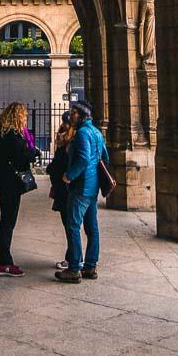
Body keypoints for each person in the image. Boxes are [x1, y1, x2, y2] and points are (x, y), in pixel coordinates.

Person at [55, 103, 109, 284]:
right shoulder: (96, 132)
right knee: (92, 228)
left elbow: (84, 159)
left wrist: (68, 176)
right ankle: (91, 265)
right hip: (93, 188)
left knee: (73, 226)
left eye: (73, 113)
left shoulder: (83, 134)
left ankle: (74, 268)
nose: (71, 116)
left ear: (80, 115)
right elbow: (104, 158)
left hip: (81, 187)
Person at [0, 101, 37, 276]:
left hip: (2, 182)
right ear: (18, 117)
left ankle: (0, 259)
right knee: (8, 222)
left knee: (5, 221)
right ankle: (4, 263)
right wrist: (33, 153)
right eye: (24, 116)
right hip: (10, 184)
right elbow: (21, 158)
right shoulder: (13, 137)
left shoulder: (0, 134)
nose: (25, 119)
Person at [46, 116, 76, 271]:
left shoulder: (71, 143)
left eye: (66, 122)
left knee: (70, 225)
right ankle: (72, 257)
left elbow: (66, 163)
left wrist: (55, 170)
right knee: (69, 225)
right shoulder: (64, 141)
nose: (63, 124)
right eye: (63, 121)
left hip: (66, 188)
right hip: (61, 187)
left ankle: (73, 259)